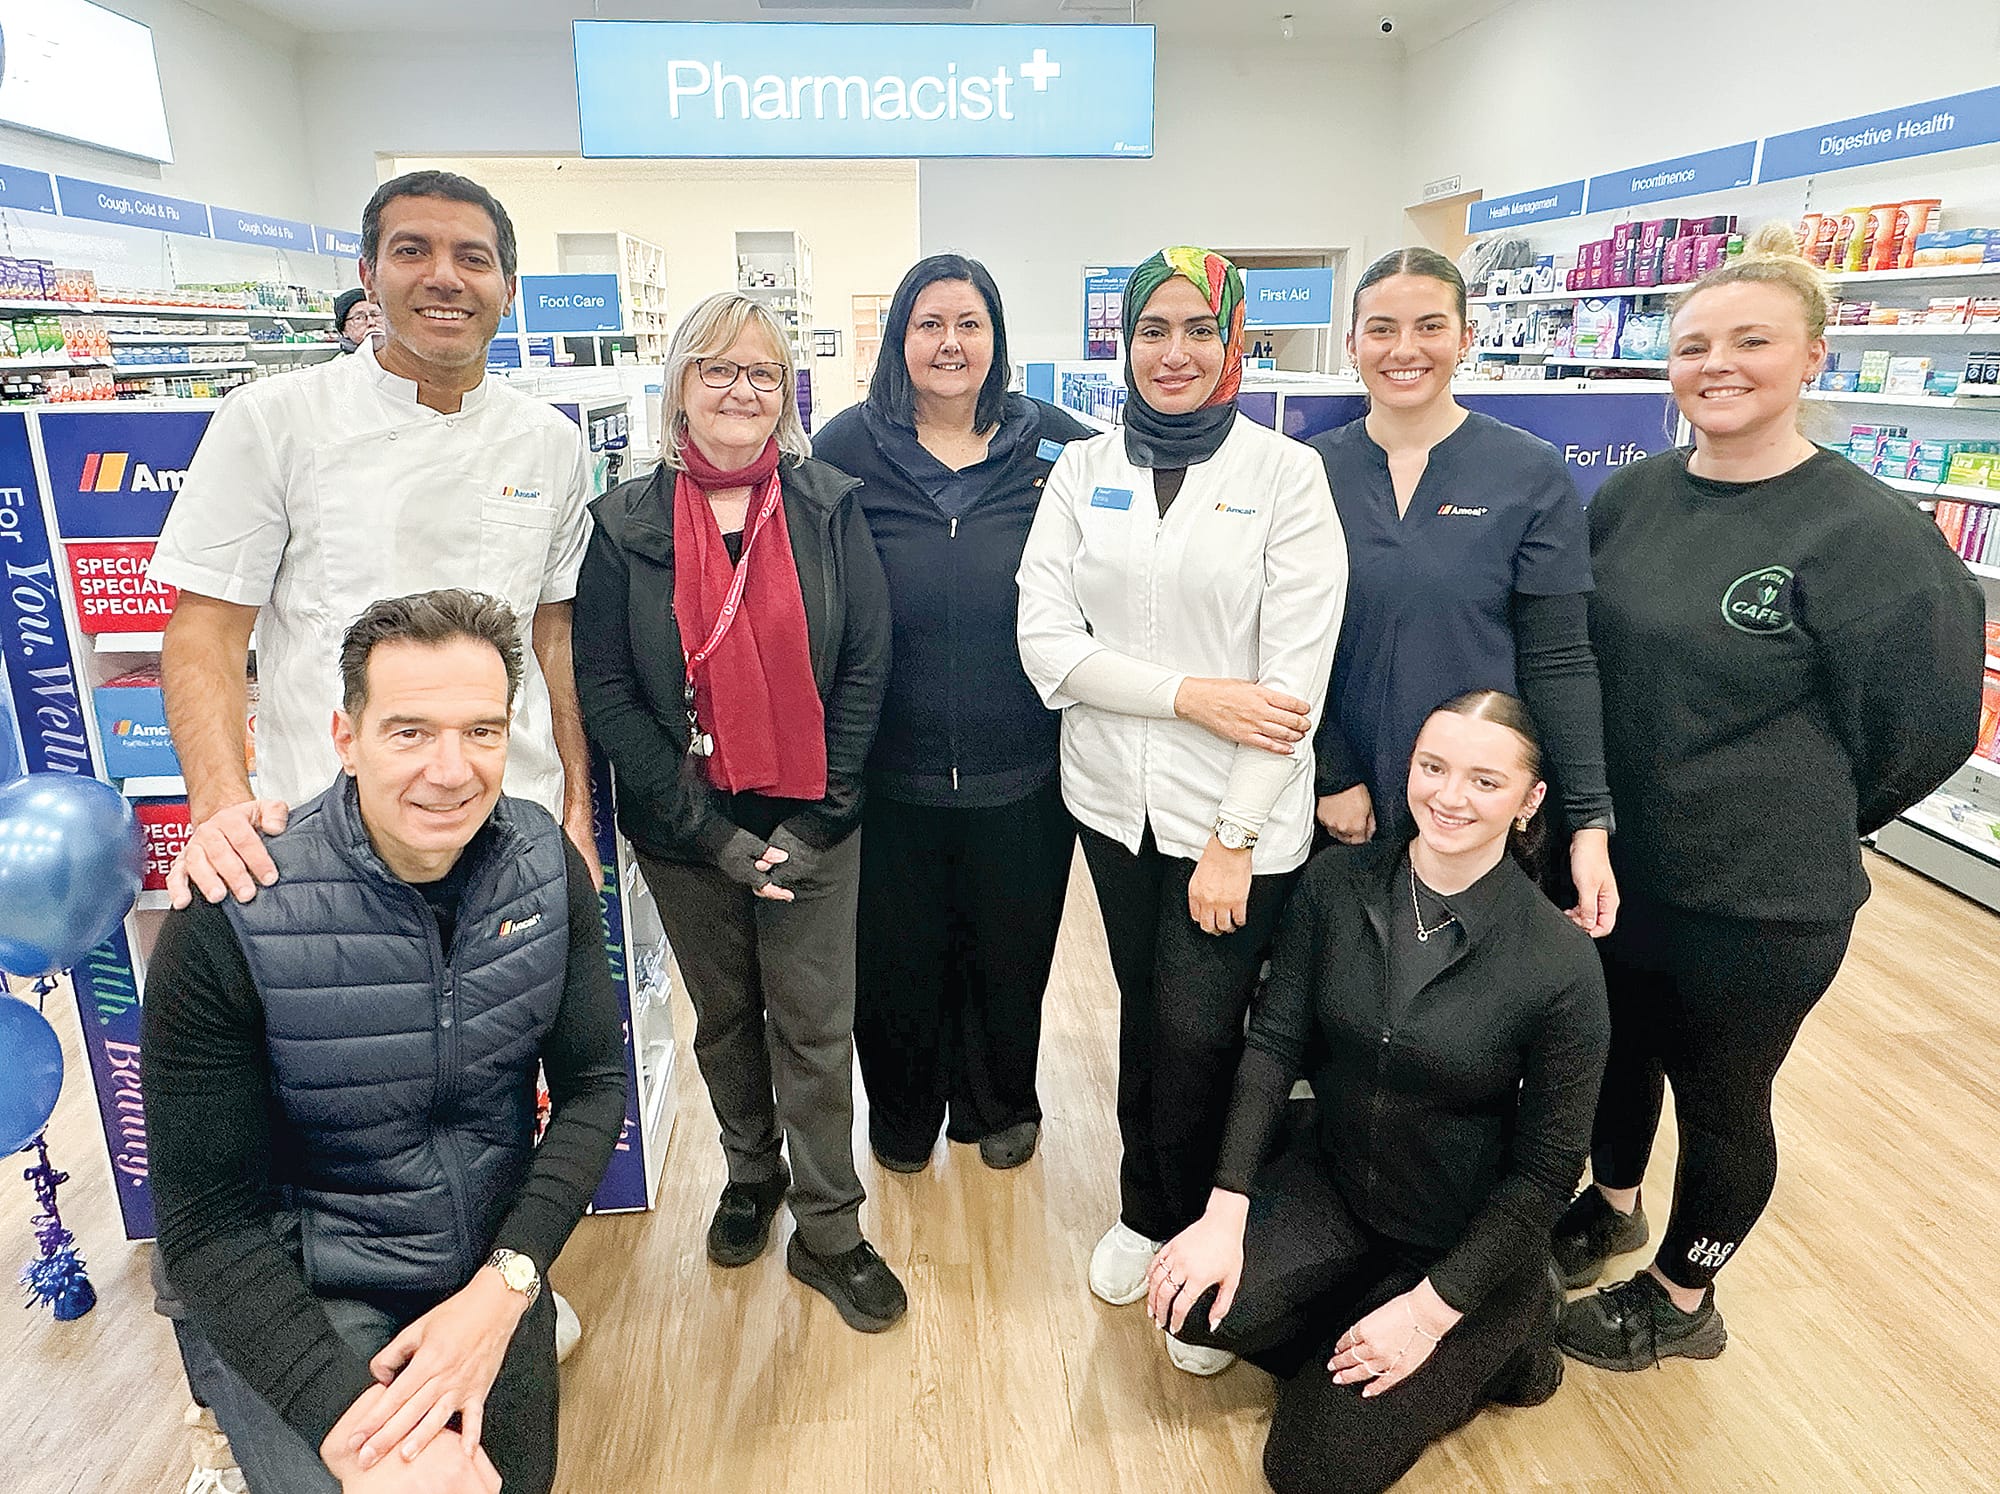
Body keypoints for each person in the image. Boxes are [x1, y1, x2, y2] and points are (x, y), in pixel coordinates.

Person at [1554, 223, 1986, 1372]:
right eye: (1693, 344)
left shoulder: (1868, 536)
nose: (1717, 365)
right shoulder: (1631, 499)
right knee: (1611, 1054)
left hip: (1756, 899)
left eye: (1751, 340)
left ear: (1812, 358)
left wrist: (1801, 813)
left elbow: (1931, 725)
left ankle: (1681, 1299)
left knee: (1722, 1099)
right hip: (1616, 865)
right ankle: (1610, 1203)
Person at [142, 590, 628, 1494]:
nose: (451, 770)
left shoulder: (544, 871)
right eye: (410, 732)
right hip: (301, 1296)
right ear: (344, 737)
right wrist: (354, 1433)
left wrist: (507, 1284)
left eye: (481, 732)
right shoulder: (235, 914)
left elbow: (596, 1086)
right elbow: (210, 1231)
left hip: (481, 1272)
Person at [1146, 692, 1609, 1493]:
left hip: (1458, 1239)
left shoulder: (1561, 964)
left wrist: (1430, 1312)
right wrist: (1226, 1213)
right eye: (1433, 768)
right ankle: (1365, 1314)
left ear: (1531, 802)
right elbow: (1273, 1045)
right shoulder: (1337, 885)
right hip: (1338, 1181)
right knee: (1190, 1306)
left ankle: (1517, 1321)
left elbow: (1545, 1175)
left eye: (1484, 781)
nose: (1449, 796)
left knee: (1309, 1470)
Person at [1016, 245, 1346, 1320]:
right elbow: (1045, 647)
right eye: (1151, 330)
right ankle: (1145, 1208)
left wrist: (1234, 837)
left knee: (1207, 1030)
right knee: (1148, 1015)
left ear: (1233, 345)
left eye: (1197, 330)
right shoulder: (1083, 469)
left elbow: (1291, 684)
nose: (1173, 352)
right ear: (1124, 343)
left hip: (1231, 822)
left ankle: (1210, 1231)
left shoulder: (1284, 476)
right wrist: (1190, 695)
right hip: (1113, 808)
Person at [572, 291, 904, 1332]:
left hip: (811, 820)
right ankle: (749, 1177)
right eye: (717, 368)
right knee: (723, 1020)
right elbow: (608, 693)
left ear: (785, 393)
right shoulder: (623, 525)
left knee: (813, 1024)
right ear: (678, 382)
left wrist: (813, 823)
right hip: (685, 832)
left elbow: (863, 668)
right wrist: (709, 834)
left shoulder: (825, 504)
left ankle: (830, 1228)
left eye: (761, 373)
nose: (740, 390)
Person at [151, 168, 599, 908]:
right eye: (413, 251)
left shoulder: (549, 443)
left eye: (473, 259)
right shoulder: (274, 420)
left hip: (511, 821)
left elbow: (554, 638)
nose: (445, 278)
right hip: (325, 831)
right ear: (369, 275)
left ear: (508, 289)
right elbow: (207, 630)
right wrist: (221, 805)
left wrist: (576, 812)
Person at [813, 254, 1092, 1174]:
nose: (950, 343)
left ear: (997, 340)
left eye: (970, 324)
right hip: (888, 768)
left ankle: (999, 1104)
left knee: (1011, 954)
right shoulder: (847, 444)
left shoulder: (1056, 442)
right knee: (893, 964)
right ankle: (900, 1118)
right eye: (930, 324)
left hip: (1027, 765)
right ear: (900, 337)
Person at [1307, 247, 1617, 937]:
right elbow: (1281, 641)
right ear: (1352, 342)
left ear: (1466, 337)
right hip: (1338, 797)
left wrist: (1590, 823)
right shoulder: (1309, 470)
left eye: (1430, 326)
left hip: (1472, 802)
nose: (1404, 349)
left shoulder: (1529, 473)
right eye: (1382, 329)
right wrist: (1331, 772)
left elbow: (1560, 657)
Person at [334, 288, 385, 354]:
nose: (371, 322)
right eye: (359, 318)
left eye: (375, 315)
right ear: (344, 331)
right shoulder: (341, 363)